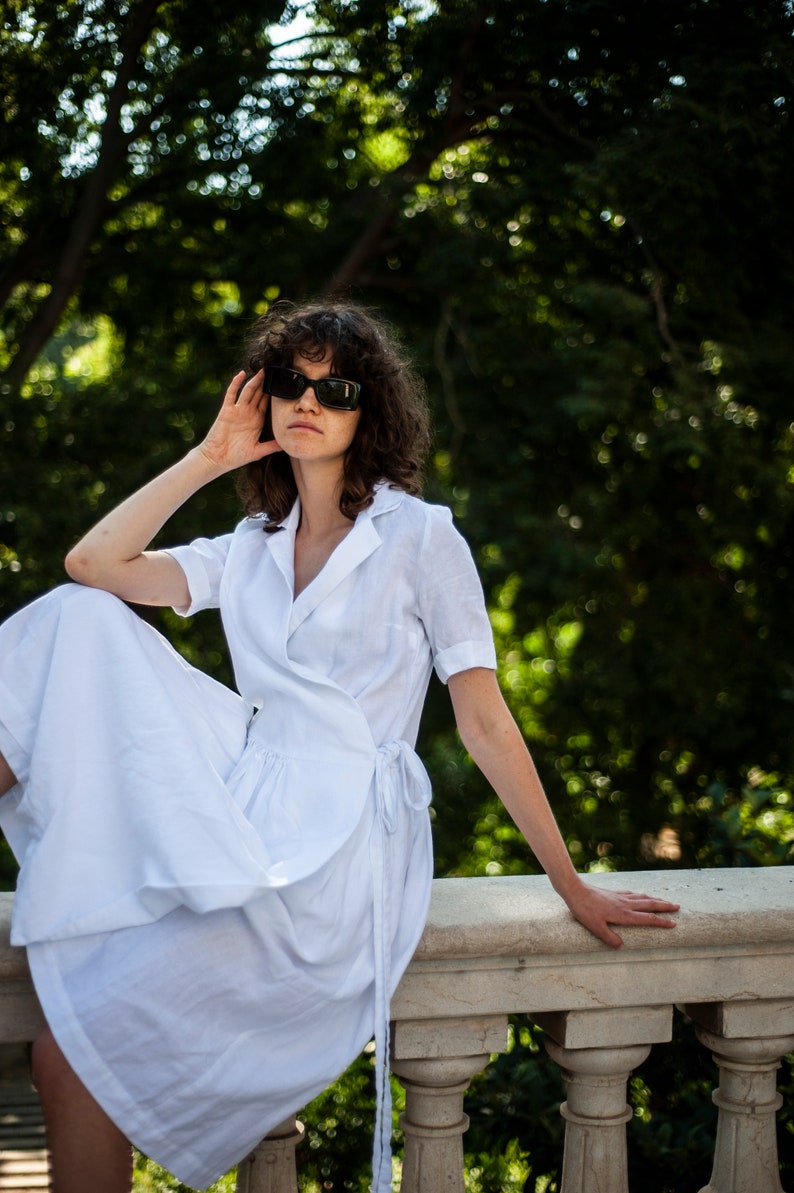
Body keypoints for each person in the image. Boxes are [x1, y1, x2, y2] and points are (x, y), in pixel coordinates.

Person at [0, 301, 678, 1193]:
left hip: (338, 848)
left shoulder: (421, 537)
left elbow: (482, 721)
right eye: (292, 382)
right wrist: (209, 457)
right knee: (71, 623)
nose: (309, 400)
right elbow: (91, 566)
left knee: (69, 1056)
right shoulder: (250, 545)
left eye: (337, 387)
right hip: (244, 803)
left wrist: (569, 882)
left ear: (372, 412)